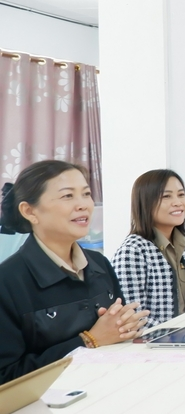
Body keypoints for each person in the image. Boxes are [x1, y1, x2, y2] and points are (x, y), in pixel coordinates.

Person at [0, 160, 149, 385]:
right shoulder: (8, 281)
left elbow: (117, 334)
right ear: (29, 211)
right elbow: (6, 377)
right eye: (67, 196)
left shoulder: (99, 264)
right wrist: (89, 340)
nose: (83, 205)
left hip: (111, 386)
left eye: (86, 194)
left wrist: (127, 327)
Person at [112, 170, 185, 329]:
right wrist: (172, 333)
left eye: (181, 194)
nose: (178, 202)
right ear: (146, 203)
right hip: (156, 339)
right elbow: (131, 316)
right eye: (166, 196)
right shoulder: (132, 251)